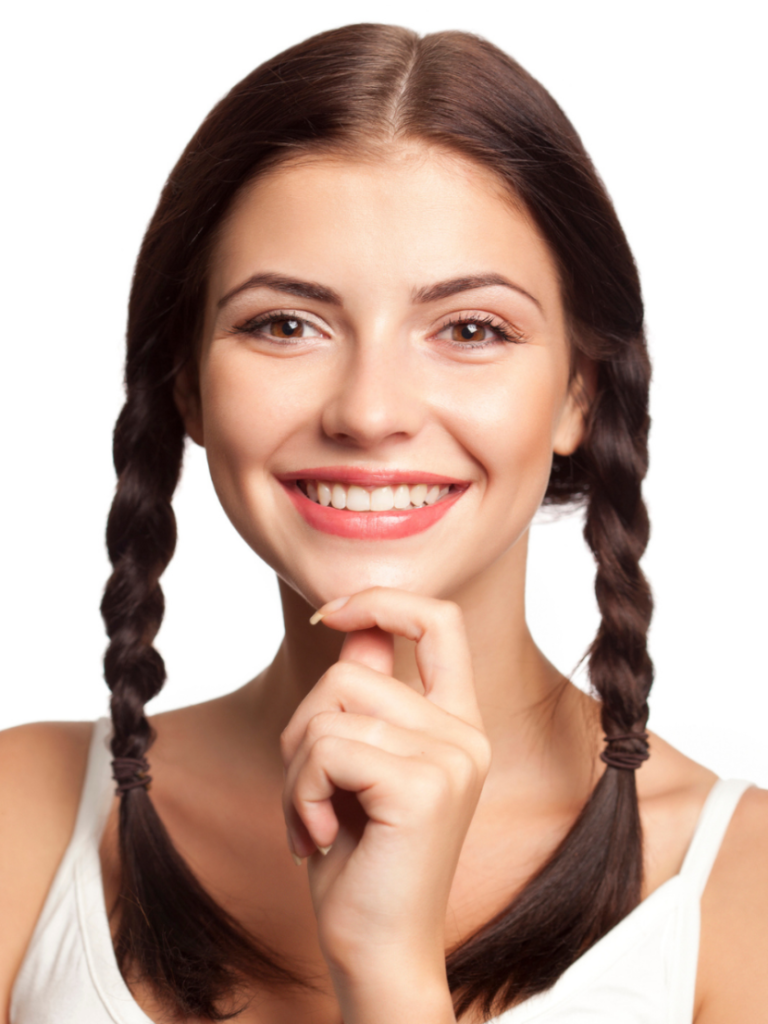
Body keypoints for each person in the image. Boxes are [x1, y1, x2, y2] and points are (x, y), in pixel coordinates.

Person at [1, 22, 766, 1024]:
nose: (369, 411)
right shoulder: (27, 811)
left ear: (580, 392)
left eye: (471, 329)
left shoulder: (740, 886)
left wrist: (392, 972)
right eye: (286, 324)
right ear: (185, 380)